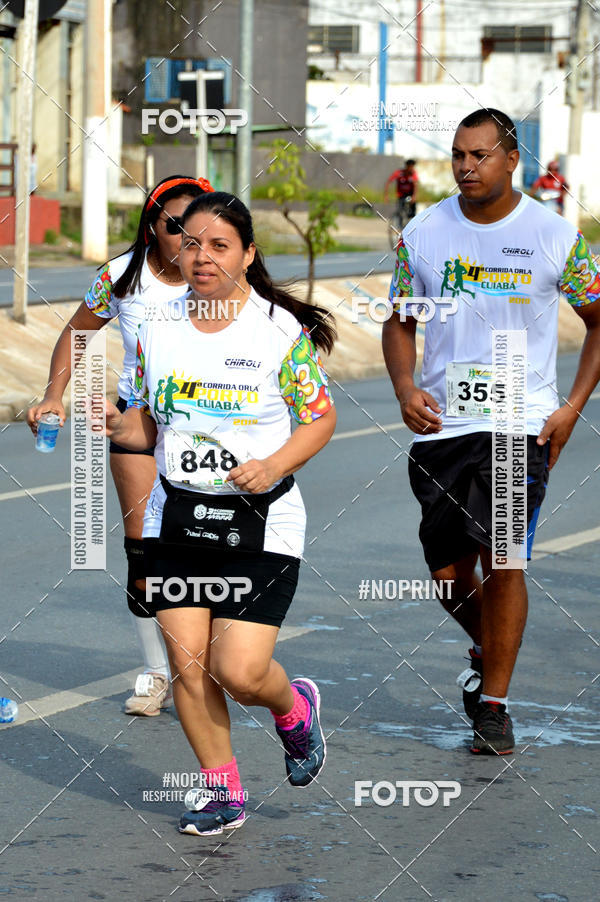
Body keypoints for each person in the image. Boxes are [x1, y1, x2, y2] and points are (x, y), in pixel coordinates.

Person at [99, 191, 337, 835]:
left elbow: (319, 420)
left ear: (247, 254)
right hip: (176, 515)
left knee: (239, 671)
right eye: (192, 242)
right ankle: (221, 790)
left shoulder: (276, 331)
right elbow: (151, 418)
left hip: (262, 520)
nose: (201, 255)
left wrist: (276, 463)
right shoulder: (158, 326)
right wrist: (114, 424)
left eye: (219, 244)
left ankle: (294, 709)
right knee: (188, 663)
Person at [382, 108, 600, 756]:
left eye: (479, 155)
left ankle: (496, 705)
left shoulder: (554, 235)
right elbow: (399, 320)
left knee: (505, 560)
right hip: (445, 427)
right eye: (457, 154)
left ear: (511, 161)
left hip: (520, 425)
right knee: (448, 569)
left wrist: (572, 407)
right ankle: (486, 644)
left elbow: (598, 319)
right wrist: (403, 388)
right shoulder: (424, 232)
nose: (466, 166)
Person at [27, 174, 214, 716]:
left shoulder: (215, 274)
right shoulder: (122, 275)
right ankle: (158, 672)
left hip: (210, 426)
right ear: (151, 227)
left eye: (196, 228)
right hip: (140, 422)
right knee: (144, 554)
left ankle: (205, 663)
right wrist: (53, 396)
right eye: (174, 227)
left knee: (203, 548)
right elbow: (78, 330)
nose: (187, 240)